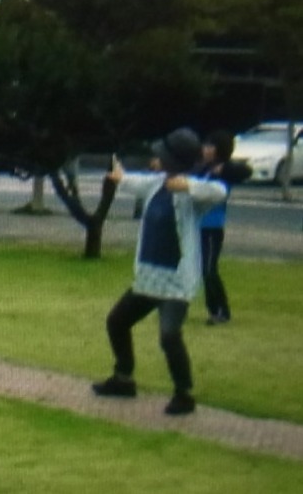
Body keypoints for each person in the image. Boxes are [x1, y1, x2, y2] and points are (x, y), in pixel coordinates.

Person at [93, 128, 227, 416]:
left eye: (162, 156)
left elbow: (219, 192)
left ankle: (184, 394)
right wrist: (119, 175)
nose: (157, 159)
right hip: (148, 278)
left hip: (176, 282)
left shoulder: (192, 193)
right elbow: (132, 181)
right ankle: (123, 378)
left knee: (169, 335)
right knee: (117, 321)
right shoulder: (155, 184)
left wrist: (188, 186)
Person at [195, 129, 251, 325]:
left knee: (209, 270)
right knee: (200, 269)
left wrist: (224, 168)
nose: (205, 149)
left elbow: (245, 171)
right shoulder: (203, 169)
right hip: (197, 226)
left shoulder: (224, 170)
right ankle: (211, 309)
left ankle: (220, 311)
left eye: (210, 146)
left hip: (212, 227)